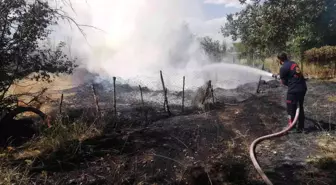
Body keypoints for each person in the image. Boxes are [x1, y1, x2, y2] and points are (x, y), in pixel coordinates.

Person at [277, 52, 307, 133]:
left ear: (280, 60)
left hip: (293, 90)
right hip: (303, 88)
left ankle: (291, 127)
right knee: (300, 107)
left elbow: (284, 82)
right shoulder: (293, 63)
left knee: (291, 108)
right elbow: (294, 75)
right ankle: (301, 127)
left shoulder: (283, 68)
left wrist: (281, 80)